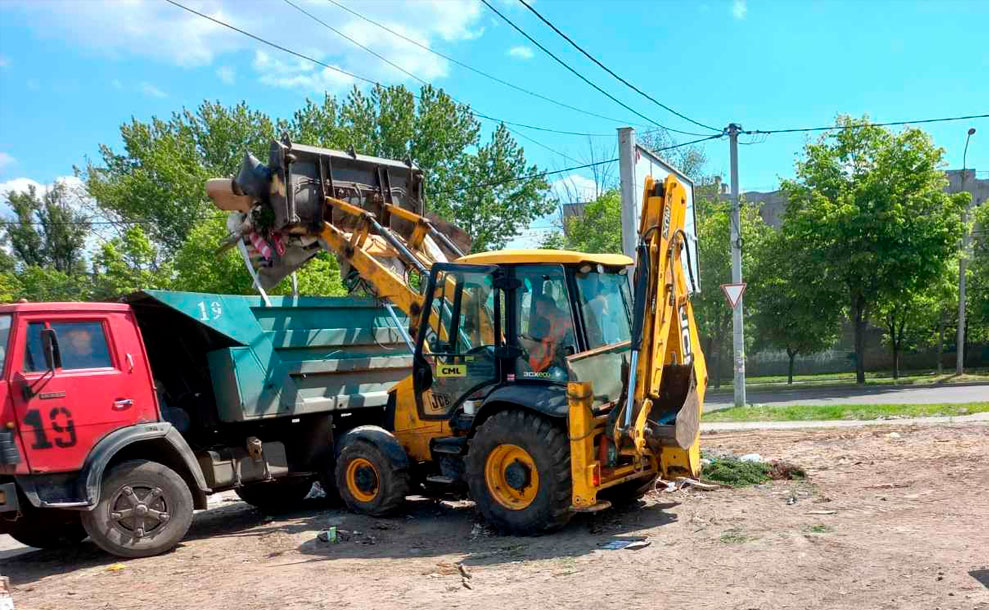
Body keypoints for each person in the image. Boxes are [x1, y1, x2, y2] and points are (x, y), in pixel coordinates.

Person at [522, 294, 573, 373]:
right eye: (537, 308)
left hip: (552, 367)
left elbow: (548, 343)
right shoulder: (546, 321)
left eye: (540, 308)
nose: (537, 311)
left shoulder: (560, 321)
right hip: (543, 367)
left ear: (549, 307)